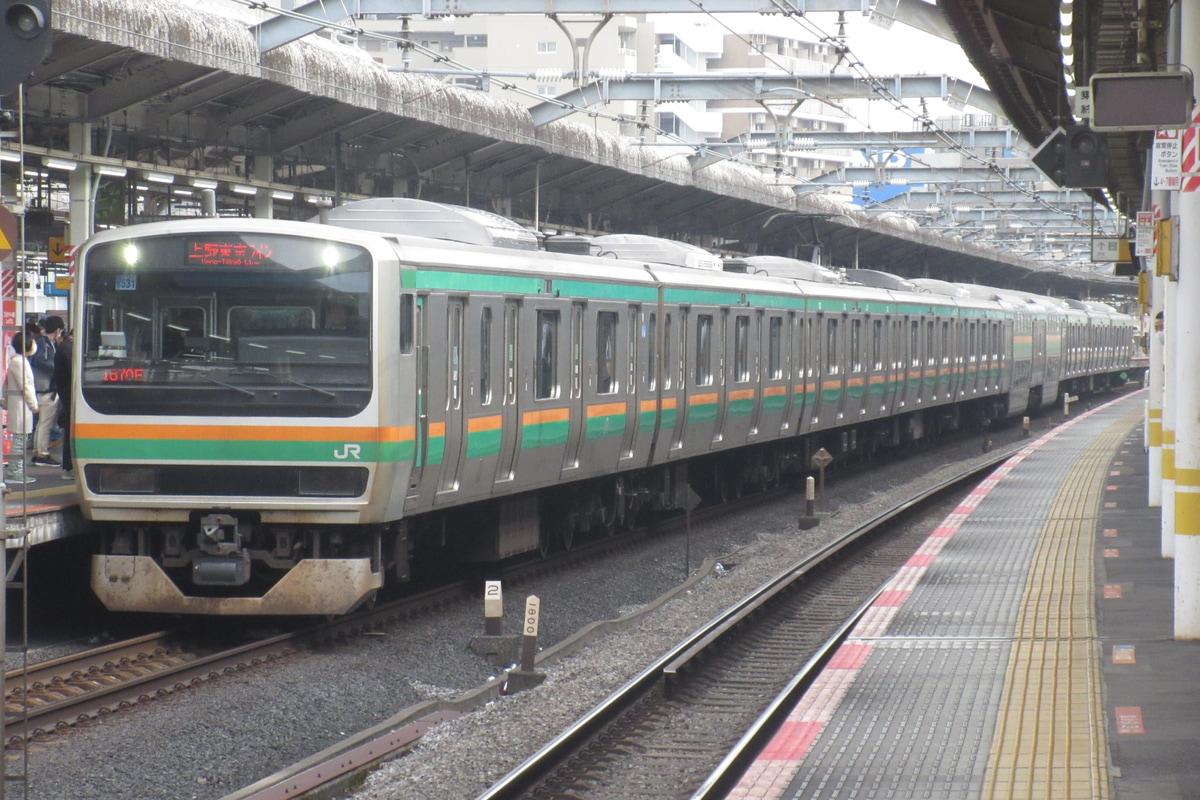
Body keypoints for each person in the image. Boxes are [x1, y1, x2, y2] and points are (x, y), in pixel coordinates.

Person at [4, 332, 40, 485]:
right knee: (20, 440)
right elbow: (26, 386)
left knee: (21, 439)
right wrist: (34, 405)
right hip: (21, 406)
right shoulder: (21, 362)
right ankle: (14, 471)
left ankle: (15, 470)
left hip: (18, 405)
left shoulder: (17, 361)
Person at [31, 315, 65, 467]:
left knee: (42, 424)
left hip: (43, 389)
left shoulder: (45, 343)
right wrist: (58, 370)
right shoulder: (45, 344)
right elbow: (40, 362)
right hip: (47, 390)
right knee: (46, 424)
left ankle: (39, 451)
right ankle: (42, 454)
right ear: (58, 330)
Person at [53, 327, 74, 478]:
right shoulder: (67, 348)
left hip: (66, 393)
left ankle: (69, 466)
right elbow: (73, 368)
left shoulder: (66, 346)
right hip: (68, 394)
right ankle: (68, 467)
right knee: (69, 429)